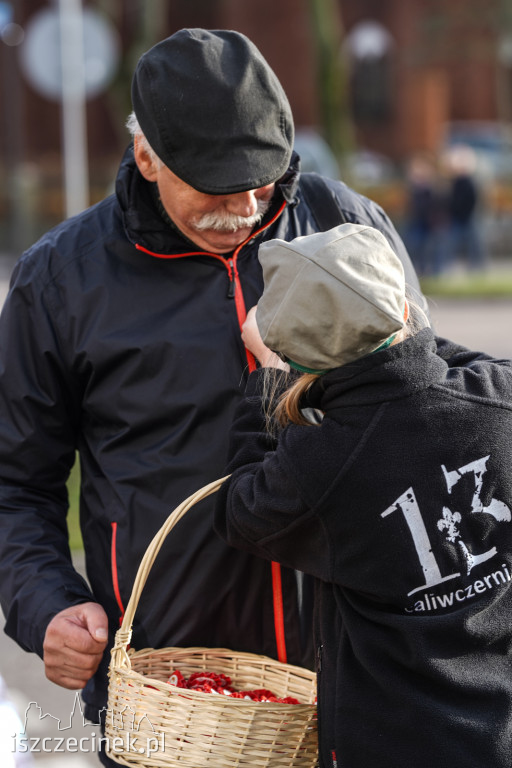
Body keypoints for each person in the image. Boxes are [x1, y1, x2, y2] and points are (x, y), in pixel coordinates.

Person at [0, 29, 423, 766]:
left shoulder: (347, 225)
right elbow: (13, 482)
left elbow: (427, 411)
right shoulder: (59, 280)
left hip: (360, 683)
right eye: (218, 186)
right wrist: (45, 606)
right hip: (172, 698)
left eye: (262, 178)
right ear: (145, 158)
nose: (248, 205)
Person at [214, 222, 512, 768]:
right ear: (405, 311)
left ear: (300, 358)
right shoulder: (499, 399)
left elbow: (241, 511)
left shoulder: (321, 464)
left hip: (391, 739)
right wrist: (398, 334)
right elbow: (453, 368)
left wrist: (265, 378)